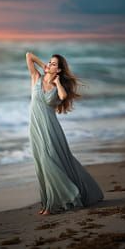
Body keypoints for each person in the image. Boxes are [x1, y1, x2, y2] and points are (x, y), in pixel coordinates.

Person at [26, 52, 104, 215]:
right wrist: (43, 64)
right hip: (35, 127)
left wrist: (57, 82)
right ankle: (46, 202)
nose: (50, 65)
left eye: (54, 64)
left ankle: (54, 204)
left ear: (59, 70)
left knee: (49, 161)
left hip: (50, 127)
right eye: (50, 62)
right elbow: (28, 55)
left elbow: (62, 96)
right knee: (42, 163)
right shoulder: (36, 78)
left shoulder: (57, 87)